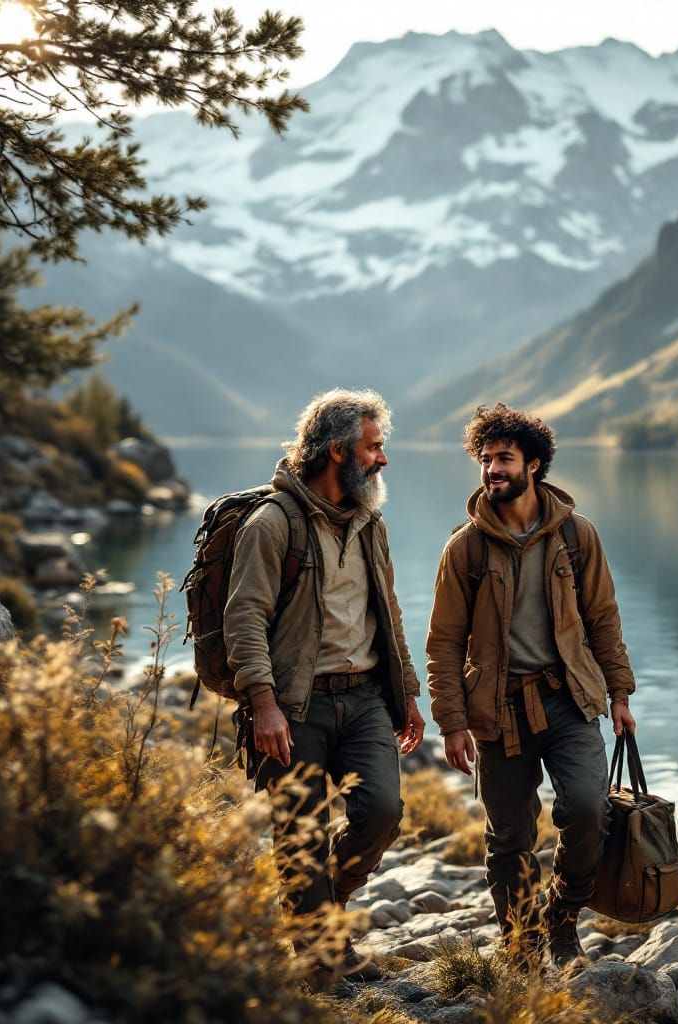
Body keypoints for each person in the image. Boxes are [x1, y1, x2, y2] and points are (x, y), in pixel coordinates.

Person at [223, 388, 425, 984]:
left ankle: (323, 904)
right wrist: (263, 705)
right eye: (374, 447)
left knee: (382, 810)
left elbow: (388, 613)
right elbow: (244, 618)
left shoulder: (370, 524)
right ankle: (317, 956)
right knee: (299, 834)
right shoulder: (272, 524)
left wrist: (407, 693)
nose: (383, 459)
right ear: (338, 452)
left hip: (365, 698)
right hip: (294, 705)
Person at [426, 403, 637, 968]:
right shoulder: (464, 548)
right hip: (497, 712)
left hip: (569, 700)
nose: (492, 469)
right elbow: (443, 643)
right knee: (510, 839)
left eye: (504, 459)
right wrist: (450, 721)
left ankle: (563, 918)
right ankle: (519, 943)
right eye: (485, 459)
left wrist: (619, 694)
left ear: (534, 465)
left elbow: (603, 620)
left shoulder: (575, 536)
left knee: (590, 808)